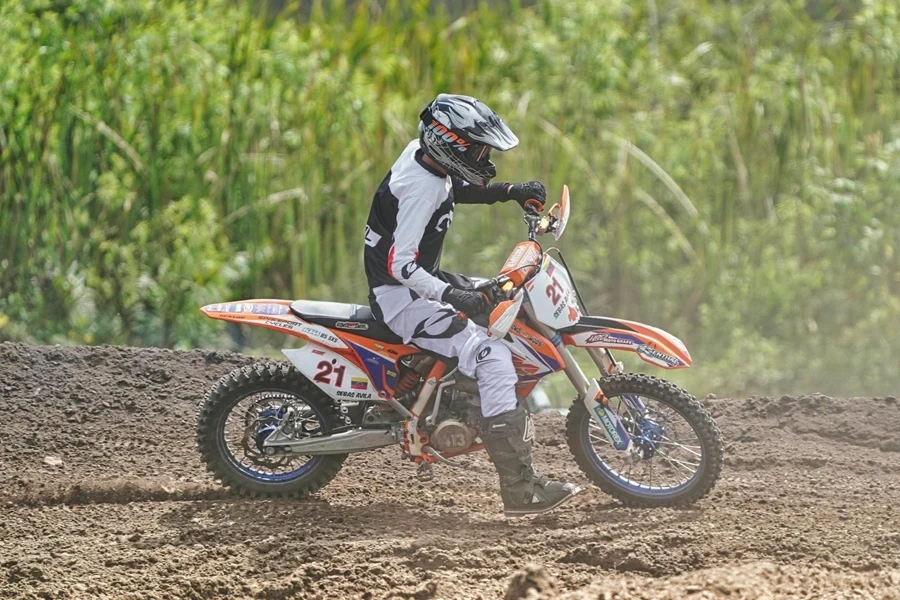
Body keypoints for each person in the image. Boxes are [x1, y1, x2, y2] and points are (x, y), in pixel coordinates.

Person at [363, 93, 579, 516]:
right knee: (492, 354)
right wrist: (452, 296)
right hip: (403, 296)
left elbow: (452, 188)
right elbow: (401, 264)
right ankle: (520, 492)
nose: (485, 157)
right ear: (452, 145)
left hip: (421, 283)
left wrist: (508, 192)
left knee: (503, 295)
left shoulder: (424, 159)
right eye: (479, 149)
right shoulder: (421, 188)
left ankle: (461, 397)